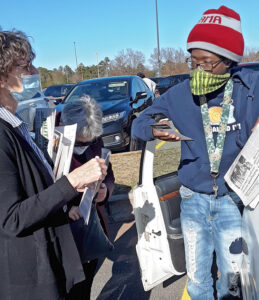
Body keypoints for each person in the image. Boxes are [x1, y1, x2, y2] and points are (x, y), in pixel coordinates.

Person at [132, 6, 259, 300]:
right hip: (192, 199)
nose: (198, 69)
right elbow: (139, 122)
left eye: (207, 62)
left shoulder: (249, 87)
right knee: (197, 277)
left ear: (229, 60)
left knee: (231, 279)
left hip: (232, 198)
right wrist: (153, 130)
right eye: (193, 60)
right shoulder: (179, 94)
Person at [0, 30, 107, 300]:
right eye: (25, 67)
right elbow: (11, 219)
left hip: (51, 259)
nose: (35, 71)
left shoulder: (17, 126)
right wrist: (72, 182)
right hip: (29, 277)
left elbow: (35, 192)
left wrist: (66, 205)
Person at [59, 97, 115, 300]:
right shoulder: (45, 140)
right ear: (65, 126)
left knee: (87, 281)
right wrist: (64, 208)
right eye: (79, 143)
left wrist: (105, 191)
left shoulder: (93, 136)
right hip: (63, 231)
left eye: (89, 142)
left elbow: (108, 172)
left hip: (91, 227)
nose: (84, 147)